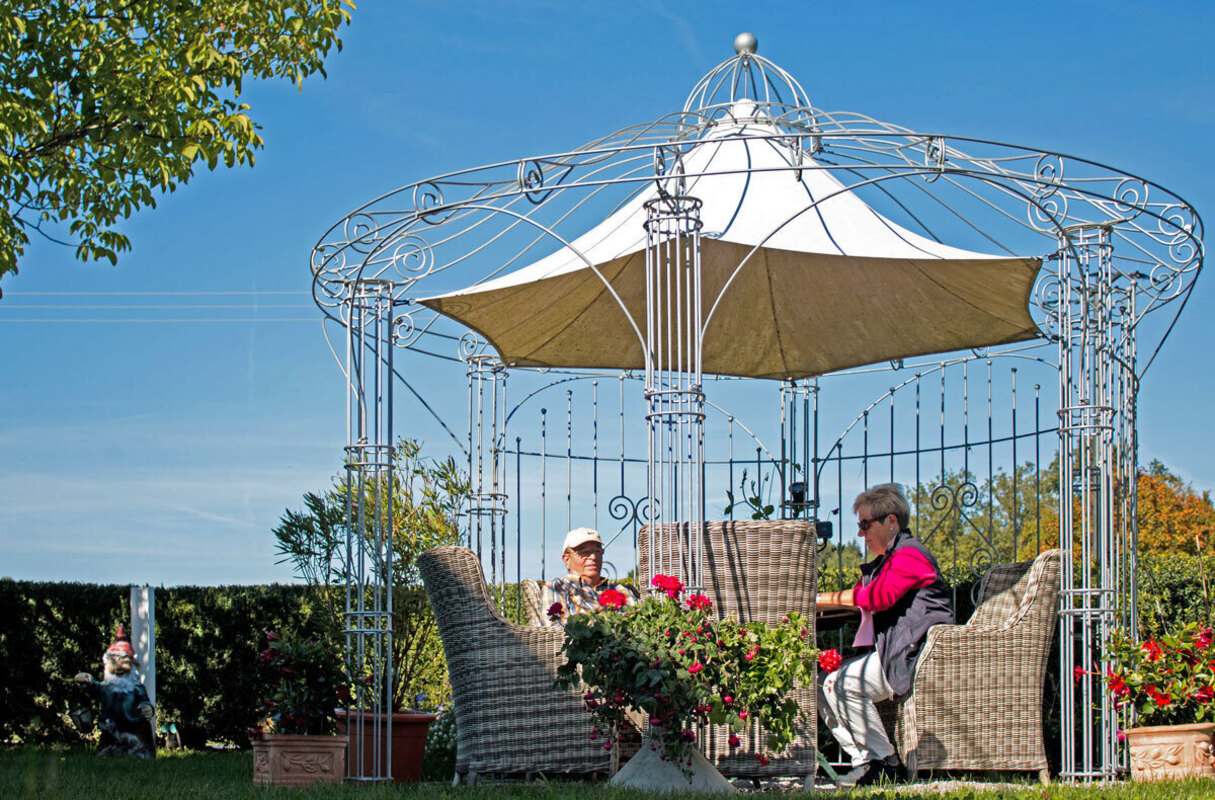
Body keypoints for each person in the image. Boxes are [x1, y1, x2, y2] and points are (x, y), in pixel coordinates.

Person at [815, 483, 952, 787]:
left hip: (915, 654)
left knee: (843, 682)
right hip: (901, 649)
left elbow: (878, 596)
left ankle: (885, 763)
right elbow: (869, 596)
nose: (861, 534)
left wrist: (822, 599)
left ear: (891, 521)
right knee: (823, 682)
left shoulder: (910, 555)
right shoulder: (894, 557)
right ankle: (866, 763)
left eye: (865, 525)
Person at [74, 626, 157, 758]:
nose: (119, 668)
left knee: (140, 751)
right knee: (106, 753)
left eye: (124, 663)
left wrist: (147, 708)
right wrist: (86, 680)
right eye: (114, 663)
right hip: (111, 729)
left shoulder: (136, 688)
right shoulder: (106, 688)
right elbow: (94, 688)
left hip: (135, 727)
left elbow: (144, 700)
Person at [539, 527, 639, 626]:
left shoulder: (621, 590)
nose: (593, 557)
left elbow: (640, 622)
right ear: (567, 559)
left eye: (597, 551)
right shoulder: (558, 587)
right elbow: (556, 628)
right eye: (585, 552)